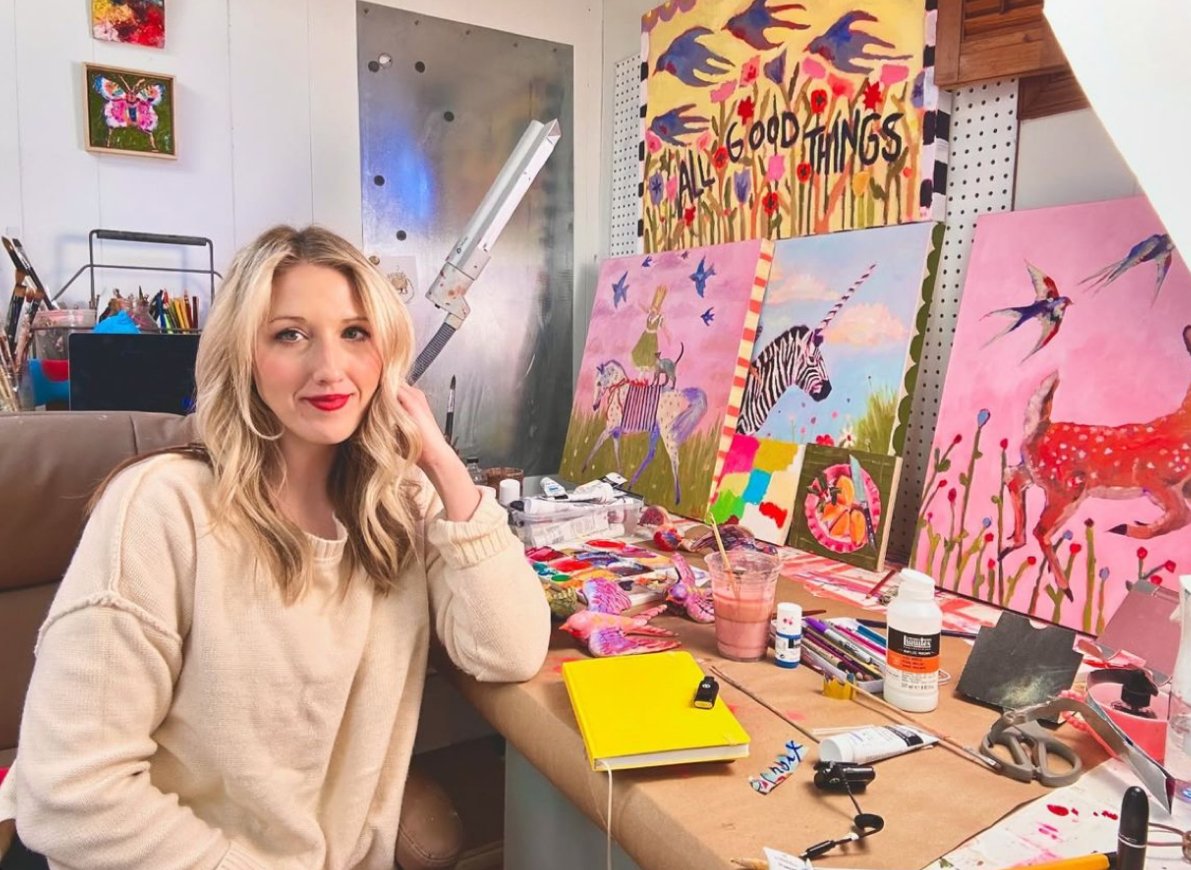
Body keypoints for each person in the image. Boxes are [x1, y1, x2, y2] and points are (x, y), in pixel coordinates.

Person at [0, 225, 551, 869]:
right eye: (290, 335)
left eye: (356, 333)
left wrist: (441, 462)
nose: (330, 368)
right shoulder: (162, 507)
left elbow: (509, 651)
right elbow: (69, 794)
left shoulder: (397, 503)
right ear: (244, 355)